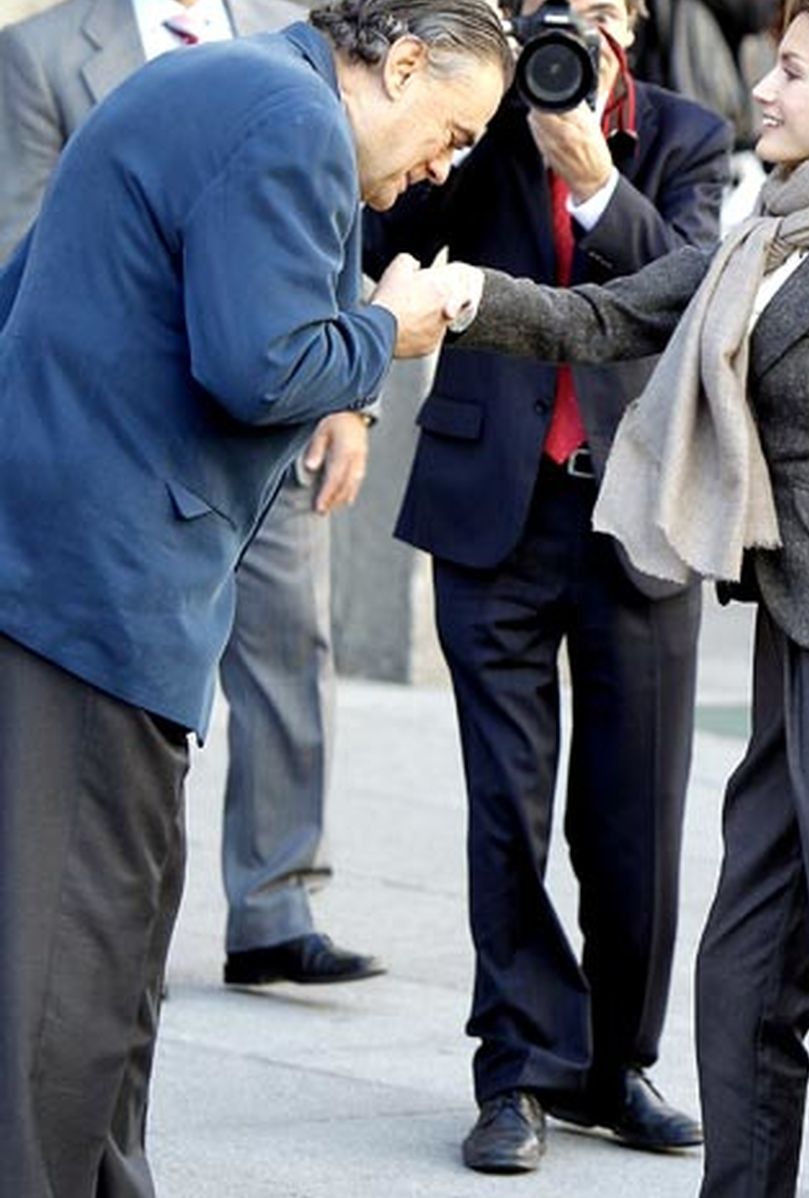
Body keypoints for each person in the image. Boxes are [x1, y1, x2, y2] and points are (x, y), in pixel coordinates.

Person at [437, 0, 809, 1191]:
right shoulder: (772, 231)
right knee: (743, 974)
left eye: (791, 72)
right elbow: (611, 313)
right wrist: (458, 303)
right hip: (793, 640)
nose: (763, 88)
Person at [0, 2, 511, 1193]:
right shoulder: (285, 116)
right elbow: (263, 364)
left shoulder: (229, 88)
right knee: (78, 959)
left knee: (106, 945)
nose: (447, 163)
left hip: (74, 573)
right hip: (100, 593)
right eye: (453, 129)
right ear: (397, 65)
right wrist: (390, 322)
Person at [363, 0, 730, 1173]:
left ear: (629, 16)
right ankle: (518, 1066)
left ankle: (615, 1063)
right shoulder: (475, 122)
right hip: (492, 513)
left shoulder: (689, 135)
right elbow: (380, 241)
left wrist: (590, 186)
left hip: (635, 519)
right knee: (504, 811)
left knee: (634, 816)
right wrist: (472, 132)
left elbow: (692, 296)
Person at [0, 0, 388, 991]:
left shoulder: (288, 35)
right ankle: (94, 931)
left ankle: (274, 902)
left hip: (270, 438)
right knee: (117, 722)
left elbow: (313, 252)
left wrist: (348, 396)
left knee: (288, 653)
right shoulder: (42, 51)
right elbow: (33, 241)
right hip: (134, 443)